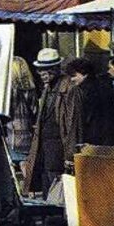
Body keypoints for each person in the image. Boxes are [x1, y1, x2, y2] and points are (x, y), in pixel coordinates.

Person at [22, 49, 69, 195]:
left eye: (46, 70)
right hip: (45, 147)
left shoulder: (67, 88)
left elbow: (71, 123)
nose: (43, 74)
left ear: (56, 68)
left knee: (57, 186)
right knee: (47, 183)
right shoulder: (47, 89)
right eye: (40, 71)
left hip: (58, 147)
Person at [65, 57, 114, 148]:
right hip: (111, 138)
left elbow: (89, 118)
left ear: (84, 74)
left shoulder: (86, 91)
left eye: (74, 75)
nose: (72, 79)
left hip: (95, 140)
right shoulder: (103, 85)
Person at [7, 56, 37, 155]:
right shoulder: (31, 90)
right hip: (27, 137)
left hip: (10, 137)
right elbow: (35, 110)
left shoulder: (7, 91)